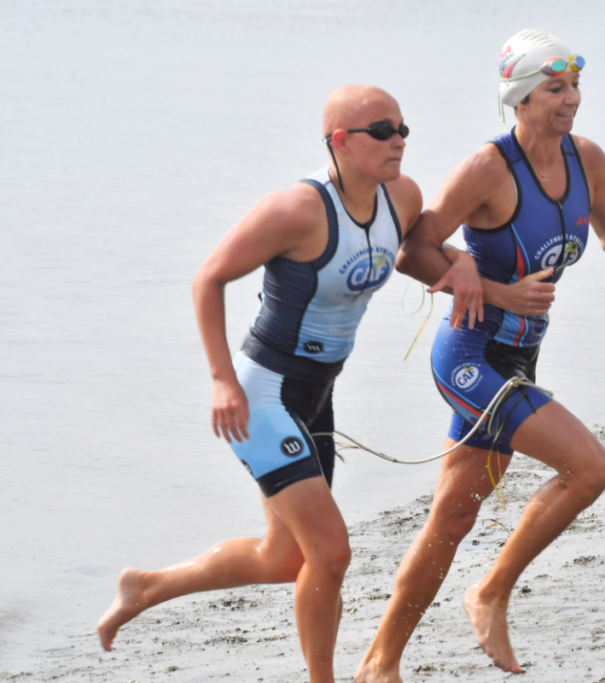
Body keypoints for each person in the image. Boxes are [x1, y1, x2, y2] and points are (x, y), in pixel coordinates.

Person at [355, 29, 605, 682]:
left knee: (454, 516)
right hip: (470, 355)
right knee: (590, 468)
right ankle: (490, 592)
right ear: (520, 99)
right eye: (555, 89)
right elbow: (413, 251)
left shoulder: (589, 161)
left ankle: (378, 665)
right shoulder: (488, 169)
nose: (570, 100)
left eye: (574, 87)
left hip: (520, 359)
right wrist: (493, 289)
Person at [97, 85, 423, 683]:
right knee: (330, 552)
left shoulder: (401, 197)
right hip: (263, 395)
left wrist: (471, 277)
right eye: (382, 130)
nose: (398, 140)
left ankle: (147, 585)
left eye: (403, 127)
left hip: (318, 392)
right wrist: (222, 380)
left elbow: (415, 253)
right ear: (341, 142)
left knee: (285, 558)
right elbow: (208, 278)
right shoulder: (296, 211)